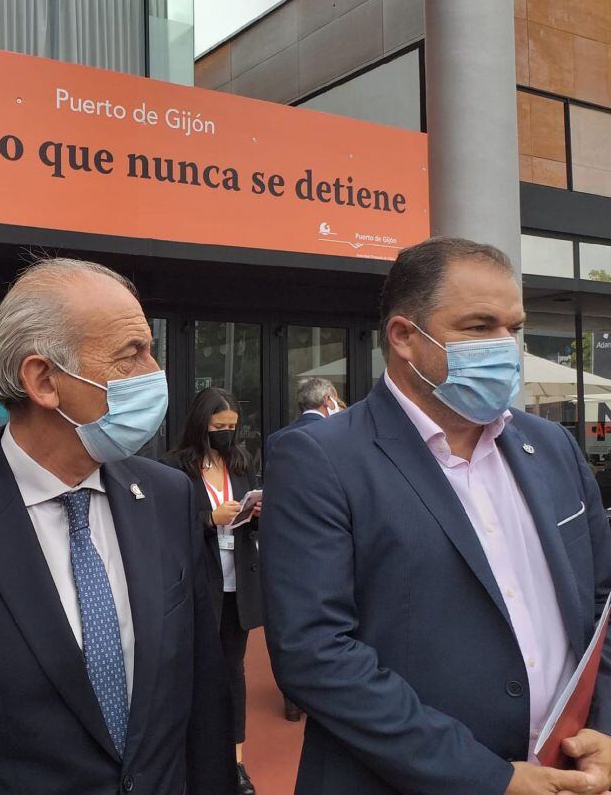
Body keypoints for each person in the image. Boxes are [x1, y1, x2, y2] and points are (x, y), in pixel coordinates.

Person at [261, 236, 611, 795]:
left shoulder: (551, 446)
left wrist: (602, 732)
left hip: (567, 772)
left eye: (513, 329)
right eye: (479, 327)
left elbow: (601, 606)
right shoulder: (320, 459)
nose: (504, 347)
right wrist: (485, 778)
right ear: (404, 337)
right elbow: (316, 654)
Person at [0, 257, 236, 795]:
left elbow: (201, 693)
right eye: (132, 354)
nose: (155, 373)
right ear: (43, 380)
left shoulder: (167, 496)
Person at [161, 386, 263, 795]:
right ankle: (189, 754)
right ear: (202, 424)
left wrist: (254, 514)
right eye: (220, 426)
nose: (227, 434)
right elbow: (164, 522)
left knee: (233, 673)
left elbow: (251, 525)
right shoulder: (175, 466)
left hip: (237, 581)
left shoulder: (240, 462)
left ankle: (235, 761)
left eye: (232, 427)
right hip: (197, 582)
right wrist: (208, 518)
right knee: (189, 671)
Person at [262, 376, 341, 723]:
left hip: (286, 540)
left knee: (294, 614)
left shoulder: (277, 439)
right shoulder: (341, 435)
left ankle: (294, 698)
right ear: (329, 399)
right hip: (333, 539)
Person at [263, 377, 340, 459]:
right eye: (335, 401)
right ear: (326, 399)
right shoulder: (337, 435)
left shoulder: (275, 438)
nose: (336, 405)